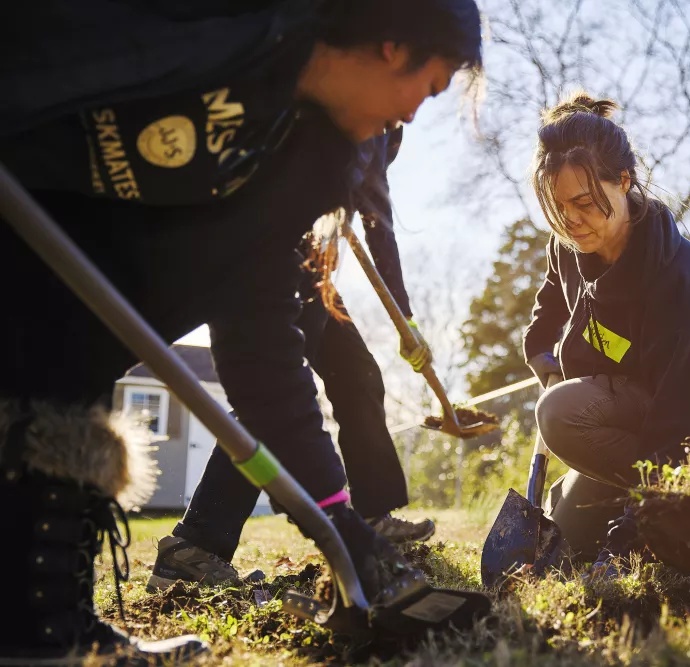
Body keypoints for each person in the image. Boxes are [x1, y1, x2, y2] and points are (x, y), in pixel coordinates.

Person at [0, 1, 482, 663]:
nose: (411, 117)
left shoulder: (306, 168)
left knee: (58, 385)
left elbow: (263, 351)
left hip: (60, 302)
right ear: (394, 43)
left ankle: (42, 632)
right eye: (426, 90)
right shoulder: (228, 23)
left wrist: (334, 515)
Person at [148, 127, 436, 591]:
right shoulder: (375, 118)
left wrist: (408, 321)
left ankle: (372, 514)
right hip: (278, 256)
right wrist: (406, 320)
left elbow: (370, 208)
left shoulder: (375, 114)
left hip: (313, 267)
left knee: (357, 373)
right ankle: (196, 546)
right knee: (271, 395)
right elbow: (378, 221)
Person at [522, 93, 690, 568]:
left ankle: (683, 509)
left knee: (561, 413)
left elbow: (687, 421)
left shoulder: (681, 283)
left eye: (584, 202)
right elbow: (544, 318)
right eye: (558, 206)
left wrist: (630, 537)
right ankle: (640, 503)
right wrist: (544, 361)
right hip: (650, 398)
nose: (570, 219)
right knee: (570, 532)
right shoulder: (569, 242)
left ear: (623, 181)